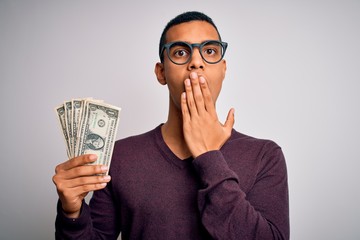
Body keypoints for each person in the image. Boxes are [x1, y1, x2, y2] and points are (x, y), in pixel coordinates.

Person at [53, 11, 289, 239]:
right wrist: (72, 213)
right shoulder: (120, 157)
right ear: (161, 72)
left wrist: (209, 157)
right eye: (179, 52)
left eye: (209, 51)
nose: (196, 62)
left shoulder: (265, 156)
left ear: (223, 69)